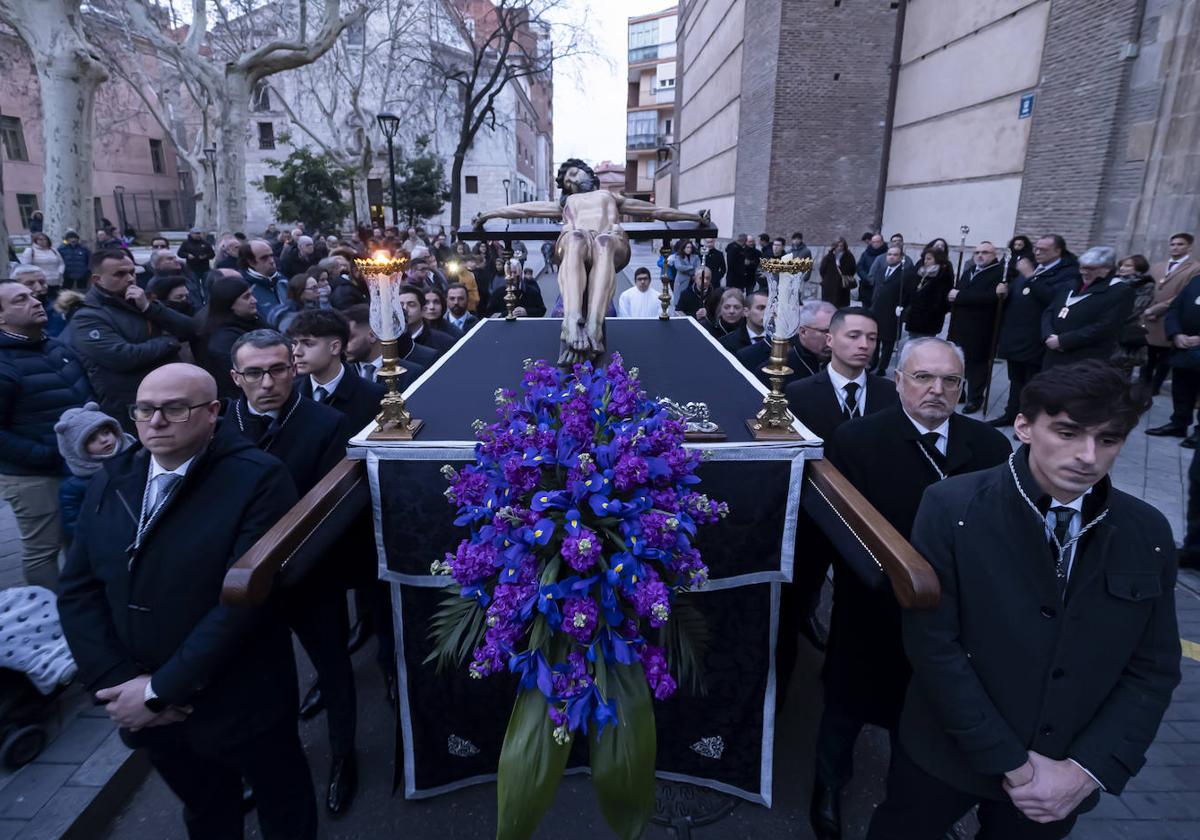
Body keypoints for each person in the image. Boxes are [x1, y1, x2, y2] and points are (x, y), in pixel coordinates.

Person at [866, 361, 1179, 840]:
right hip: (948, 754)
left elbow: (1152, 666)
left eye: (1109, 440)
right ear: (1024, 426)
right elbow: (934, 645)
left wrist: (1085, 769)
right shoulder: (953, 507)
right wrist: (1013, 763)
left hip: (1062, 774)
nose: (1088, 456)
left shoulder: (1148, 531)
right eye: (1069, 433)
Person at [57, 363, 318, 839]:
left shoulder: (257, 478)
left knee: (284, 806)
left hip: (239, 698)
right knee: (206, 813)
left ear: (213, 411)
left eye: (175, 409)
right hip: (146, 704)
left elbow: (244, 601)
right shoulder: (114, 477)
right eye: (143, 409)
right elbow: (78, 588)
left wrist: (161, 692)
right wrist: (121, 686)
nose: (155, 422)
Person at [815, 337, 1011, 840]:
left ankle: (913, 798)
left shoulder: (990, 447)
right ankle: (828, 781)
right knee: (848, 701)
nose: (936, 390)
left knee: (924, 710)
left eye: (949, 381)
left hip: (951, 613)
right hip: (872, 602)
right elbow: (842, 527)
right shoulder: (857, 440)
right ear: (898, 381)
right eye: (923, 377)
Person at [225, 330, 358, 815]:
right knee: (258, 680)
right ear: (236, 378)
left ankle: (344, 754)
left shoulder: (325, 422)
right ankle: (265, 767)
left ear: (294, 369)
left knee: (333, 667)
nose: (268, 383)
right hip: (242, 579)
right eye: (254, 373)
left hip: (307, 574)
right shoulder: (223, 423)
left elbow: (328, 506)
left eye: (278, 369)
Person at [0, 279, 91, 590]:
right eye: (20, 299)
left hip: (75, 466)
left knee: (78, 541)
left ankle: (81, 609)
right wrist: (45, 455)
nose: (36, 300)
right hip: (32, 475)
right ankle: (49, 618)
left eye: (33, 295)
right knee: (43, 549)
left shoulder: (56, 346)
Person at [70, 251, 197, 432]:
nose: (130, 279)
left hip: (169, 393)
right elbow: (122, 357)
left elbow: (190, 329)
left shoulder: (139, 301)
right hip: (133, 406)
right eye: (120, 274)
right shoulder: (87, 316)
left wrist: (149, 308)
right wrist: (169, 342)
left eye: (132, 272)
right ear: (97, 279)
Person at [988, 237, 1081, 427]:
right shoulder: (1034, 269)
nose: (1037, 252)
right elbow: (1017, 294)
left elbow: (1053, 300)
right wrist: (1004, 293)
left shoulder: (1067, 274)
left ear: (1058, 252)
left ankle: (1029, 420)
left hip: (1036, 338)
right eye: (1036, 249)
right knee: (1015, 380)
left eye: (1043, 250)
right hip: (1015, 336)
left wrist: (1030, 276)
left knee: (1033, 383)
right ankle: (1011, 414)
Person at [1041, 246, 1134, 369]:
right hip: (1053, 354)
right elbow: (1050, 311)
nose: (1084, 272)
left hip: (1085, 359)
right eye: (1082, 267)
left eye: (1091, 268)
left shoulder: (1120, 291)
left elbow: (1106, 326)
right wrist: (1048, 334)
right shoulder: (1071, 285)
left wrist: (1064, 341)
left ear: (1107, 269)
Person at [54, 401, 134, 540]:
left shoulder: (137, 456)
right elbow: (75, 525)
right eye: (92, 439)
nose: (104, 440)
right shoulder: (74, 486)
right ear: (76, 448)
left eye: (106, 432)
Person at [948, 241, 1005, 412]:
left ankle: (975, 398)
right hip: (960, 326)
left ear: (994, 255)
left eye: (985, 252)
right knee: (958, 362)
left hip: (981, 328)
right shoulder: (969, 271)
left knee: (977, 366)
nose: (980, 255)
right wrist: (953, 296)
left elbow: (992, 298)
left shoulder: (999, 274)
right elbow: (956, 294)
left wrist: (960, 296)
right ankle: (961, 392)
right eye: (977, 252)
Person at [1142, 232, 1200, 395]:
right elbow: (1149, 287)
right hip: (1148, 316)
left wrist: (1157, 309)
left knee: (1164, 357)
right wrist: (1147, 309)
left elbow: (1183, 295)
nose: (1175, 247)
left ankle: (1154, 387)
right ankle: (1142, 385)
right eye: (1173, 244)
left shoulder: (1195, 268)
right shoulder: (1158, 266)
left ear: (1189, 247)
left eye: (1180, 244)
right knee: (1147, 355)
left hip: (1168, 316)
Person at [199, 274, 264, 400]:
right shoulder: (224, 340)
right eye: (246, 297)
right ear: (230, 303)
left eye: (251, 294)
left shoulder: (252, 321)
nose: (254, 300)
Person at [739, 299, 835, 385]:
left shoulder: (845, 363)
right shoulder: (773, 370)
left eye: (836, 331)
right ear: (803, 332)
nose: (832, 338)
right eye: (825, 331)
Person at [1156, 269, 1200, 447]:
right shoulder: (1196, 280)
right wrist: (1176, 334)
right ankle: (1178, 423)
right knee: (1181, 387)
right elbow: (1175, 308)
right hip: (1183, 345)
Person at [344, 304, 431, 390]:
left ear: (372, 336)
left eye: (349, 338)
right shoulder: (343, 375)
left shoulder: (411, 373)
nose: (343, 345)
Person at [869, 245, 916, 374]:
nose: (891, 257)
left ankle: (882, 367)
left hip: (892, 311)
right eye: (889, 254)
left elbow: (909, 294)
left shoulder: (906, 274)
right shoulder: (881, 270)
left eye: (895, 255)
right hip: (877, 310)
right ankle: (872, 362)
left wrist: (903, 308)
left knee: (888, 340)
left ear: (901, 258)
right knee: (875, 338)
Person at [1111, 255, 1156, 379]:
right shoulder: (1112, 281)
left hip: (1125, 331)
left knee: (1120, 370)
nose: (1122, 268)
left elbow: (1136, 309)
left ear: (1139, 269)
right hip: (1105, 331)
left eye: (1128, 266)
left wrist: (1108, 316)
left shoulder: (1145, 284)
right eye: (1122, 265)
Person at [904, 248, 954, 338]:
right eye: (925, 259)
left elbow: (943, 300)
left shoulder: (943, 275)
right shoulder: (921, 272)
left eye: (929, 259)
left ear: (938, 259)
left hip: (929, 320)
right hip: (914, 318)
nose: (926, 261)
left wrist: (934, 310)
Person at [11, 265, 67, 337]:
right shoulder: (5, 310)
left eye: (42, 282)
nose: (39, 288)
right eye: (30, 283)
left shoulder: (56, 310)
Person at [239, 239, 286, 314]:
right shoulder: (244, 288)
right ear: (251, 262)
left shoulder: (283, 280)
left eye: (271, 255)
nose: (271, 261)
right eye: (264, 258)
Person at [719, 289, 768, 355]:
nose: (766, 313)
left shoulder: (779, 342)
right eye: (761, 308)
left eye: (769, 308)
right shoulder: (725, 342)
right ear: (746, 312)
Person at [820, 238, 857, 307]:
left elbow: (853, 269)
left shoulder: (849, 257)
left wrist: (846, 276)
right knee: (829, 305)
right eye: (838, 246)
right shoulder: (828, 257)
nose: (839, 248)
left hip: (843, 284)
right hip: (830, 285)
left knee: (841, 305)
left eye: (841, 246)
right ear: (834, 246)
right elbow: (822, 270)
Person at [669, 241, 702, 311]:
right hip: (681, 282)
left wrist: (688, 269)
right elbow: (679, 267)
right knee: (679, 303)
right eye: (687, 247)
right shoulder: (678, 256)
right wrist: (691, 267)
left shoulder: (695, 257)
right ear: (683, 248)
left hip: (693, 281)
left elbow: (698, 268)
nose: (689, 249)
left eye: (690, 247)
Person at [857, 234, 887, 308]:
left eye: (877, 242)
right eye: (873, 242)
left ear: (882, 242)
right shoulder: (866, 253)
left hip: (882, 287)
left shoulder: (888, 253)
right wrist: (867, 278)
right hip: (867, 286)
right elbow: (860, 268)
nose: (875, 244)